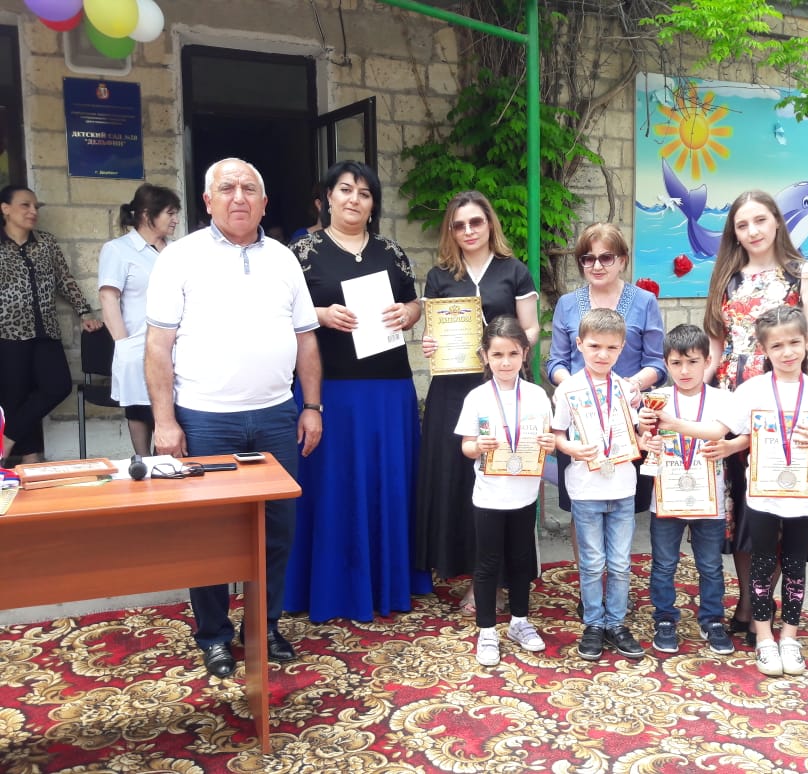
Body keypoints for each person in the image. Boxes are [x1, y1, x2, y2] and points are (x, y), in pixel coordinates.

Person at [145, 158, 323, 679]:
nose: (239, 197)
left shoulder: (285, 259)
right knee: (209, 534)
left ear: (264, 203)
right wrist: (164, 422)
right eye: (227, 188)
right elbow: (157, 346)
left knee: (277, 531)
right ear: (208, 201)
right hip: (205, 419)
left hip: (276, 416)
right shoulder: (180, 258)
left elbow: (306, 340)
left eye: (249, 188)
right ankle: (215, 636)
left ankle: (263, 626)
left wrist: (311, 406)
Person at [283, 160, 430, 623]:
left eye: (364, 193)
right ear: (327, 197)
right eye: (345, 190)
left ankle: (390, 580)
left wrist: (410, 314)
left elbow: (414, 302)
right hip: (331, 389)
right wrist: (321, 315)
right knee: (332, 488)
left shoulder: (391, 251)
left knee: (388, 483)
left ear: (373, 204)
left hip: (389, 390)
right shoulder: (300, 252)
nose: (354, 199)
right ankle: (328, 585)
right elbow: (279, 310)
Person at [669, 306, 808, 677]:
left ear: (807, 342)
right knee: (762, 564)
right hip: (763, 494)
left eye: (794, 342)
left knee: (795, 566)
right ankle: (764, 638)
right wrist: (675, 423)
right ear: (764, 349)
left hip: (805, 494)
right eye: (777, 345)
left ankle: (789, 638)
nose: (787, 352)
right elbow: (723, 431)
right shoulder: (751, 390)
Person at [701, 190, 808, 646]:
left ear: (777, 220)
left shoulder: (801, 273)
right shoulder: (727, 276)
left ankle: (764, 604)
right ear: (733, 233)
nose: (752, 231)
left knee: (777, 497)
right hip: (734, 399)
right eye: (742, 224)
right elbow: (716, 345)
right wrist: (693, 392)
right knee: (743, 504)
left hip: (783, 398)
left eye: (759, 220)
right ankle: (749, 601)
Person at [416, 191, 539, 615]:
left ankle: (497, 581)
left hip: (501, 387)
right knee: (458, 481)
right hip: (452, 390)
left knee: (499, 477)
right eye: (459, 225)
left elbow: (531, 328)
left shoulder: (514, 270)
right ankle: (467, 572)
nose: (468, 231)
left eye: (476, 222)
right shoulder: (440, 276)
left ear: (489, 223)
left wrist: (506, 353)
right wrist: (429, 343)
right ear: (451, 231)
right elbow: (432, 331)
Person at [454, 315, 555, 666]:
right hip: (489, 496)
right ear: (485, 356)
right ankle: (486, 631)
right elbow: (466, 447)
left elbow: (549, 440)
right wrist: (478, 446)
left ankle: (519, 622)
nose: (506, 362)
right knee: (487, 563)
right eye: (497, 355)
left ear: (525, 353)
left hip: (524, 495)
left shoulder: (537, 396)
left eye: (513, 353)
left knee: (521, 560)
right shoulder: (477, 397)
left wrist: (549, 444)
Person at [637, 324, 742, 656]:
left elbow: (716, 431)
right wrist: (646, 436)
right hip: (666, 498)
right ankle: (665, 619)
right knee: (664, 563)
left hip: (708, 499)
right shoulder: (657, 399)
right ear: (665, 364)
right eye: (676, 363)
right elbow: (643, 439)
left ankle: (712, 620)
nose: (684, 371)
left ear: (707, 361)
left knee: (710, 565)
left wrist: (673, 424)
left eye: (693, 362)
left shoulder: (722, 398)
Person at [553, 308, 649, 662]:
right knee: (593, 563)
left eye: (611, 347)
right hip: (586, 489)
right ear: (579, 344)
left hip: (622, 487)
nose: (602, 354)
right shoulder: (568, 390)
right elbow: (557, 434)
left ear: (622, 348)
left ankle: (616, 623)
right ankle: (593, 623)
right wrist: (570, 448)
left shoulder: (626, 389)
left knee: (620, 563)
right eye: (595, 346)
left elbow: (636, 433)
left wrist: (647, 437)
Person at [0, 185, 102, 466]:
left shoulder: (45, 243)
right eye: (25, 205)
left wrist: (84, 311)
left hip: (45, 332)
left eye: (36, 206)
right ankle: (32, 460)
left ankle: (6, 441)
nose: (33, 211)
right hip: (8, 335)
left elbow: (64, 280)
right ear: (5, 209)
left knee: (57, 386)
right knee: (16, 398)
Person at [97, 183, 182, 455]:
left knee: (174, 416)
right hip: (138, 346)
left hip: (177, 347)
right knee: (140, 411)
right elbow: (108, 298)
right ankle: (144, 466)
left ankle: (166, 470)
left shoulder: (176, 251)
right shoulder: (118, 249)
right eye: (170, 213)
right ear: (147, 215)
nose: (175, 220)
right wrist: (123, 344)